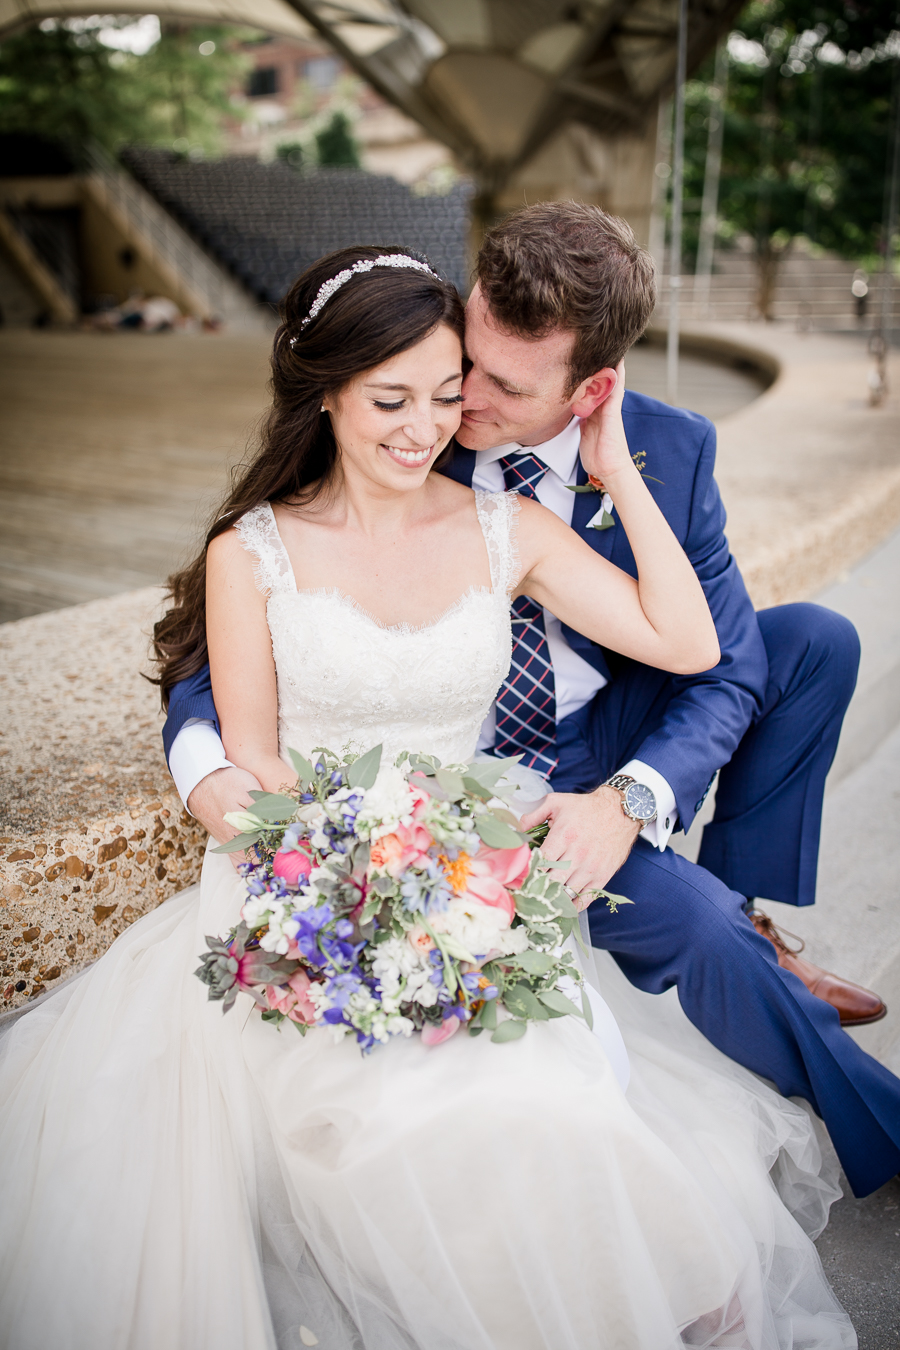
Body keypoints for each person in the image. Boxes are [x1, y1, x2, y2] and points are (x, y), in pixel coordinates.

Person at [0, 248, 854, 1349]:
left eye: (449, 397)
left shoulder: (506, 532)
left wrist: (616, 471)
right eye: (391, 400)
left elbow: (691, 643)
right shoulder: (249, 553)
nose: (425, 427)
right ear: (327, 392)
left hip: (474, 889)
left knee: (549, 1115)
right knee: (401, 1135)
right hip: (303, 894)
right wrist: (350, 902)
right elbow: (252, 769)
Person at [166, 205, 900, 1201]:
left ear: (589, 389)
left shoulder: (667, 450)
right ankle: (855, 1091)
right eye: (462, 356)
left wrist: (630, 799)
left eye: (494, 384)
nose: (452, 401)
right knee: (701, 936)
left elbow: (718, 661)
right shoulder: (407, 432)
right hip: (465, 788)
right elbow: (243, 626)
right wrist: (209, 768)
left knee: (812, 642)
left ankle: (742, 902)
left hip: (601, 740)